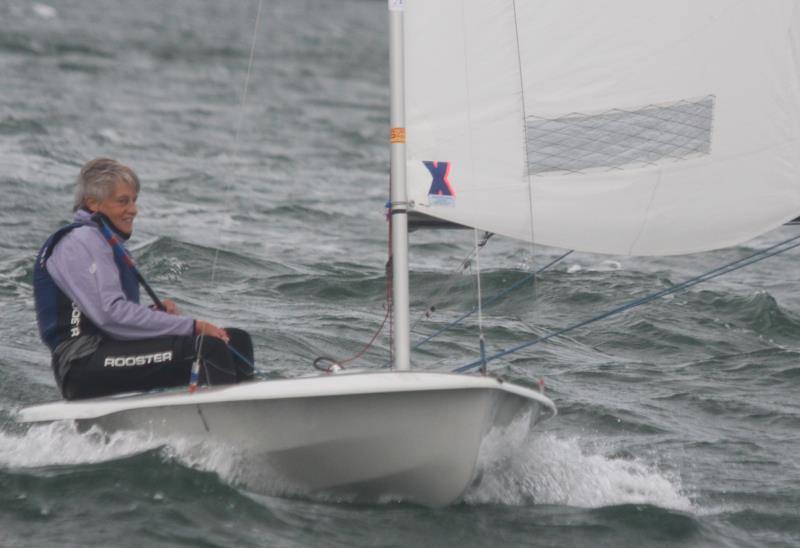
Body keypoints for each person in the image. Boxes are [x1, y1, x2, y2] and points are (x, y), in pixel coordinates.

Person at [33, 158, 254, 400]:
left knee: (234, 342)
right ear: (93, 203)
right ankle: (222, 427)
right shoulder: (80, 241)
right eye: (123, 201)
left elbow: (110, 317)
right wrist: (191, 326)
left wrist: (156, 316)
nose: (133, 209)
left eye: (134, 200)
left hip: (107, 353)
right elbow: (110, 315)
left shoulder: (102, 240)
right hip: (80, 365)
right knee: (207, 349)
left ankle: (248, 418)